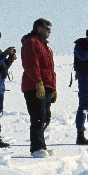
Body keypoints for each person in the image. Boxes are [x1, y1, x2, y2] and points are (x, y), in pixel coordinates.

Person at [21, 18, 57, 157]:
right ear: (38, 28)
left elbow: (50, 69)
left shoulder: (45, 46)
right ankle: (36, 148)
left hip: (46, 85)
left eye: (50, 28)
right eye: (47, 27)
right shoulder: (32, 43)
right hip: (33, 86)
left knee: (45, 117)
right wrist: (38, 82)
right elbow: (31, 65)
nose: (49, 30)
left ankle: (42, 145)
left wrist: (52, 87)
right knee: (38, 117)